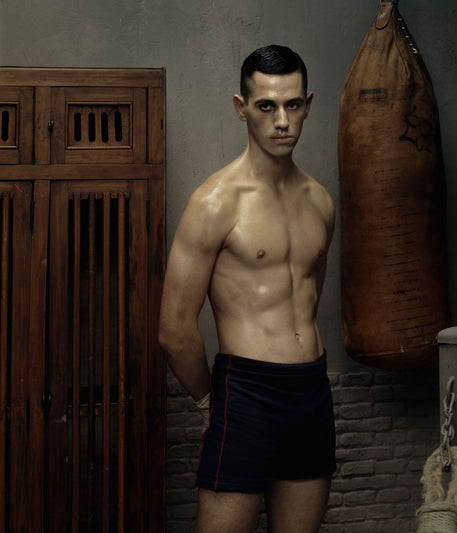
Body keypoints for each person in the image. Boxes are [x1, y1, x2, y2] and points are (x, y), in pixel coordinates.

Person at [159, 44, 336, 533]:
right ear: (242, 109)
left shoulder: (321, 202)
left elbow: (309, 299)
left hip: (311, 392)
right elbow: (174, 330)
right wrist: (208, 403)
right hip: (246, 393)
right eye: (266, 106)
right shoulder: (215, 202)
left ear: (307, 104)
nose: (282, 121)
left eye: (293, 105)